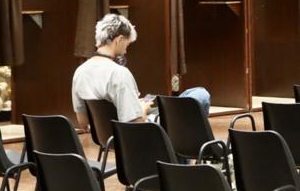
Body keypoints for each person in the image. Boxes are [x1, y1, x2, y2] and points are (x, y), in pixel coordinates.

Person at [72, 13, 211, 129]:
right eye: (127, 44)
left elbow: (83, 122)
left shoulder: (80, 71)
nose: (126, 51)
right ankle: (187, 147)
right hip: (137, 137)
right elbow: (136, 125)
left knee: (187, 96)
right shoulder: (119, 73)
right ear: (119, 40)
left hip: (107, 137)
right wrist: (142, 108)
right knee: (200, 95)